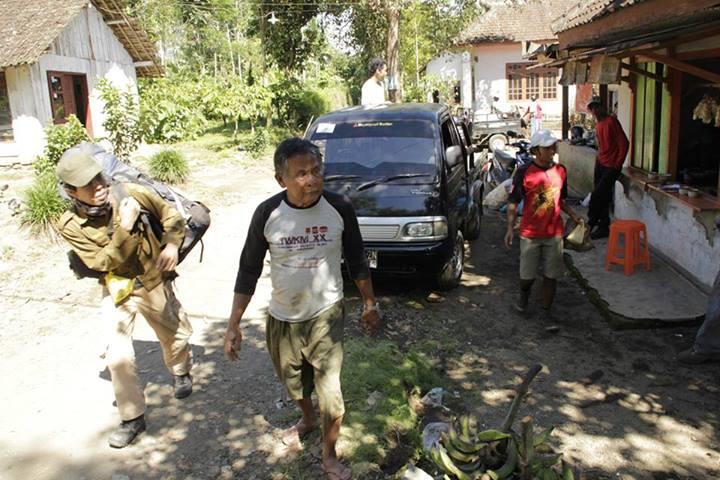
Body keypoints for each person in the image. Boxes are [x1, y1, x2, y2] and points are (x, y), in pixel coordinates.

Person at [224, 138, 380, 480]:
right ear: (281, 179)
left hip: (326, 313)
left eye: (316, 171)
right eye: (300, 174)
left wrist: (369, 302)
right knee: (294, 384)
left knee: (330, 392)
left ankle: (328, 456)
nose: (311, 180)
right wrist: (234, 324)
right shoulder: (268, 214)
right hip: (282, 317)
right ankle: (307, 418)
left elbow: (357, 259)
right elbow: (248, 269)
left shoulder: (339, 208)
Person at [55, 147, 194, 448]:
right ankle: (132, 417)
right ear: (70, 191)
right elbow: (103, 261)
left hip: (152, 280)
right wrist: (125, 226)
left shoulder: (129, 192)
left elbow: (171, 212)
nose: (98, 187)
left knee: (173, 335)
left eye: (98, 178)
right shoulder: (69, 226)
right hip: (116, 286)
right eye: (88, 184)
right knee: (117, 355)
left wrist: (171, 244)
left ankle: (181, 371)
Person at [504, 130, 583, 319]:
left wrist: (573, 214)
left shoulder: (561, 171)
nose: (552, 151)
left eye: (553, 147)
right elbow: (513, 201)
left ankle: (547, 311)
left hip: (554, 233)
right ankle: (524, 295)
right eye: (547, 148)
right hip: (530, 234)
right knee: (527, 277)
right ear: (536, 151)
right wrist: (510, 227)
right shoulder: (524, 172)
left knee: (551, 275)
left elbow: (560, 200)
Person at [586, 100, 629, 239]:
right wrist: (597, 162)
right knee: (602, 196)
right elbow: (600, 147)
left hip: (611, 166)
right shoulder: (599, 124)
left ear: (600, 108)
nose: (594, 112)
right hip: (601, 164)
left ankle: (590, 224)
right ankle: (603, 226)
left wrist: (618, 164)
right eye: (592, 110)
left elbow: (624, 143)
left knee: (597, 195)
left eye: (595, 108)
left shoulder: (611, 122)